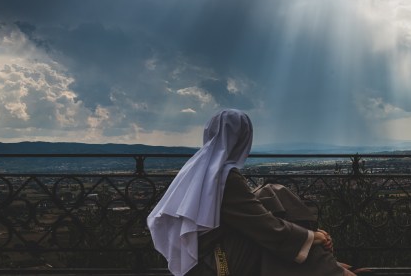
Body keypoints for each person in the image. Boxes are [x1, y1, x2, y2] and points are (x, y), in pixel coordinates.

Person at [147, 109, 358, 276]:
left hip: (198, 260)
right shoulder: (225, 178)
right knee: (265, 237)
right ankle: (324, 268)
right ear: (243, 139)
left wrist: (310, 238)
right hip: (212, 265)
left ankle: (318, 263)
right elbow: (265, 228)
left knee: (271, 193)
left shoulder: (197, 171)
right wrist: (314, 238)